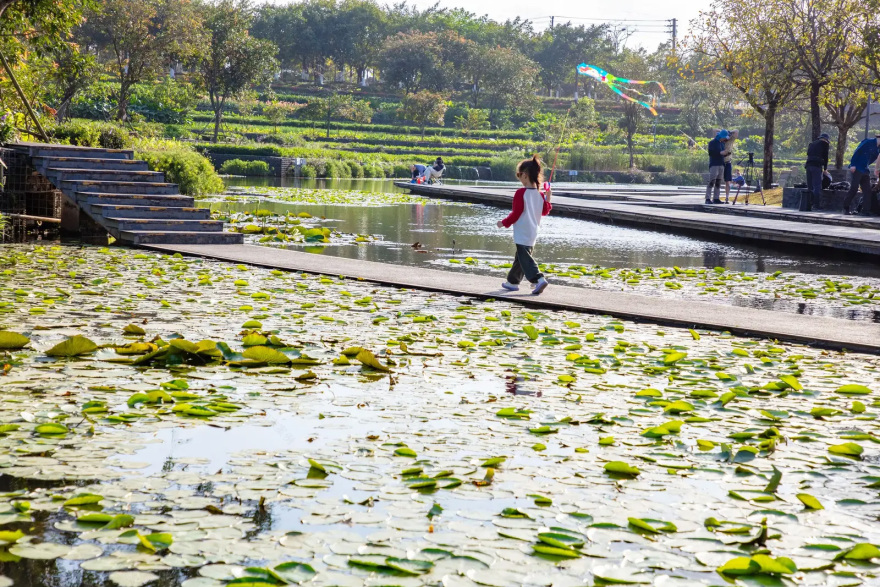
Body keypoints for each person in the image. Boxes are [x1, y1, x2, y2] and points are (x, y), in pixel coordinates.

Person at [496, 155, 552, 295]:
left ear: (525, 175)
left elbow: (516, 213)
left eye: (519, 175)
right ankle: (512, 282)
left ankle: (538, 279)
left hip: (522, 230)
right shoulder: (539, 195)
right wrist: (548, 196)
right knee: (521, 256)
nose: (519, 178)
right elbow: (545, 211)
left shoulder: (521, 193)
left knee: (524, 256)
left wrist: (503, 223)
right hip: (533, 230)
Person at [843, 134, 880, 215]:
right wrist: (853, 164)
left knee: (868, 190)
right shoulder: (868, 142)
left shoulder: (878, 149)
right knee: (854, 188)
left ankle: (865, 211)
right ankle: (846, 208)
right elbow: (857, 151)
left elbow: (876, 158)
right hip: (857, 168)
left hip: (865, 170)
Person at [804, 133, 830, 210]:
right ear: (826, 139)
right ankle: (816, 205)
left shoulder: (811, 144)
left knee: (810, 186)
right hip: (816, 166)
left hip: (808, 165)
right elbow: (826, 157)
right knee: (817, 186)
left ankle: (808, 204)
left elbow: (808, 154)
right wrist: (825, 168)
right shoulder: (824, 144)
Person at [706, 130, 730, 204]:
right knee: (712, 181)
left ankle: (716, 198)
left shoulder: (722, 143)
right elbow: (711, 153)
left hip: (721, 164)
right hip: (714, 164)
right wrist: (720, 153)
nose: (724, 140)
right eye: (723, 138)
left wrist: (726, 153)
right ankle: (708, 198)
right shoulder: (712, 142)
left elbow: (722, 153)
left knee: (718, 182)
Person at [723, 129, 739, 203]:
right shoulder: (720, 140)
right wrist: (723, 135)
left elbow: (736, 131)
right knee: (717, 180)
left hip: (728, 162)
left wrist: (730, 133)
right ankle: (715, 197)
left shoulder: (731, 140)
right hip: (720, 162)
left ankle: (727, 197)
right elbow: (714, 130)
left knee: (728, 181)